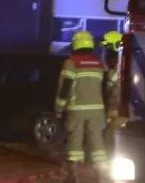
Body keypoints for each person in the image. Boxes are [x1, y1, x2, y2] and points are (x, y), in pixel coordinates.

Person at [55, 31, 112, 182]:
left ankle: (74, 177)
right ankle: (102, 177)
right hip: (97, 111)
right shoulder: (99, 63)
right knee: (98, 146)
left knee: (74, 145)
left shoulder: (71, 63)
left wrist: (59, 110)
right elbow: (105, 88)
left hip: (77, 110)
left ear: (75, 44)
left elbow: (65, 89)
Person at [100, 31, 123, 147]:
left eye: (107, 49)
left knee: (111, 142)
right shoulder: (113, 70)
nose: (105, 53)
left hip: (116, 113)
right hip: (111, 112)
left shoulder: (119, 70)